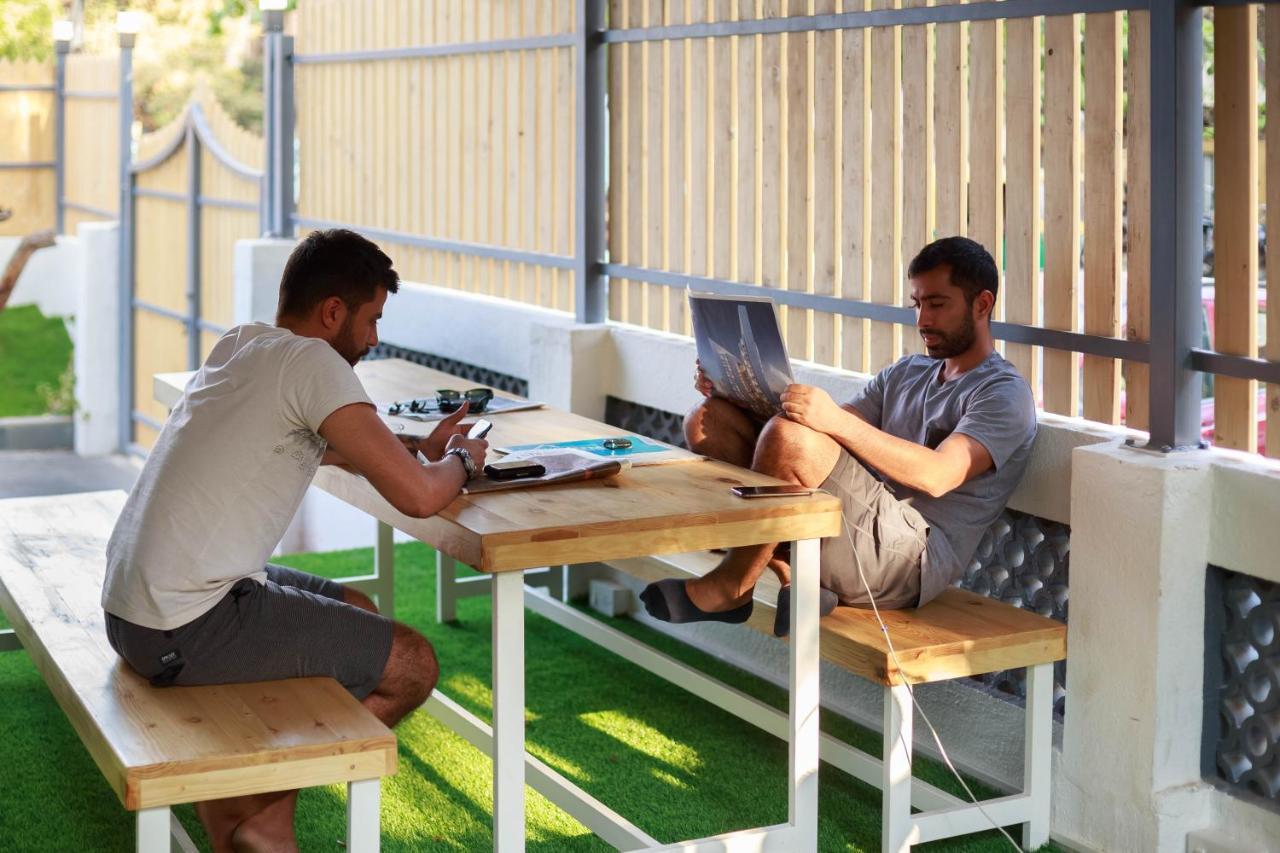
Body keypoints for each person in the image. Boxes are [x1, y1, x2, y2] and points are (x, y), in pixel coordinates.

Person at [101, 229, 489, 852]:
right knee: (414, 665)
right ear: (332, 311)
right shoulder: (314, 363)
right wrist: (464, 462)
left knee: (357, 611)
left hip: (135, 607)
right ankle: (257, 807)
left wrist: (412, 451)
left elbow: (320, 443)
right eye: (371, 320)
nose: (373, 339)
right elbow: (420, 499)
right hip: (182, 624)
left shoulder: (245, 343)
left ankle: (253, 805)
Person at [640, 236, 1038, 636]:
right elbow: (820, 434)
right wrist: (734, 388)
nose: (922, 321)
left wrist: (831, 420)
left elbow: (939, 475)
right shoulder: (907, 372)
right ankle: (792, 572)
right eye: (917, 305)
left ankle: (733, 587)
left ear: (982, 304)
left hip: (907, 558)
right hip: (853, 525)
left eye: (936, 304)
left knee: (789, 440)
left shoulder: (1003, 394)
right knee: (709, 420)